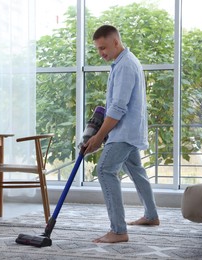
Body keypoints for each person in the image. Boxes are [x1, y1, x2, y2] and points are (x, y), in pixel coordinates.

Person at [84, 25, 159, 243]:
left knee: (105, 170)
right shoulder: (124, 62)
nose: (101, 53)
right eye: (98, 49)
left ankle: (118, 231)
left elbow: (118, 108)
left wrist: (99, 138)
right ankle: (151, 215)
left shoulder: (125, 65)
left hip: (124, 133)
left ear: (116, 42)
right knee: (136, 170)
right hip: (129, 131)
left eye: (104, 47)